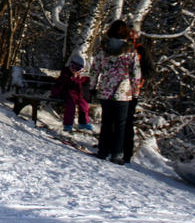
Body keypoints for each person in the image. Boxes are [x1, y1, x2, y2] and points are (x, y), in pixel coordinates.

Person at [89, 20, 141, 165]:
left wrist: (92, 87)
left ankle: (103, 150)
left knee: (106, 121)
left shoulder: (102, 49)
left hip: (105, 90)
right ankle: (117, 153)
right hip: (123, 92)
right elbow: (135, 74)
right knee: (121, 123)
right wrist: (135, 92)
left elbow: (95, 70)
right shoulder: (130, 52)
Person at [122, 32, 154, 164]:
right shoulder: (119, 47)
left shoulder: (141, 50)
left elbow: (150, 71)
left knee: (127, 120)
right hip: (116, 88)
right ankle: (112, 145)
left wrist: (137, 78)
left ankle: (127, 152)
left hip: (132, 90)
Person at [54, 55, 92, 133]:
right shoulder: (66, 73)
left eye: (77, 69)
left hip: (78, 94)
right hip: (67, 94)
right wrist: (72, 78)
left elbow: (84, 87)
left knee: (84, 104)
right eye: (73, 67)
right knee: (70, 105)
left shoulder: (82, 76)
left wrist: (81, 79)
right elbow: (60, 84)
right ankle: (68, 124)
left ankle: (83, 122)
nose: (74, 70)